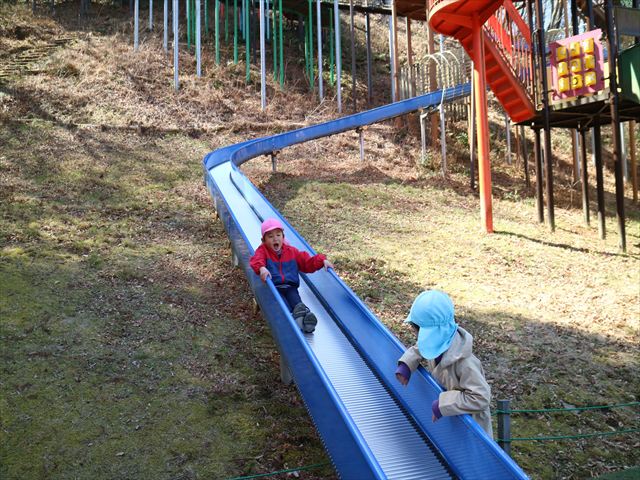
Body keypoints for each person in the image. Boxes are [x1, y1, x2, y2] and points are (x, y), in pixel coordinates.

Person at [395, 290, 493, 438]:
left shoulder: (465, 363)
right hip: (451, 423)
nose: (418, 337)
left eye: (420, 333)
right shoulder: (438, 342)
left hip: (471, 434)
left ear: (433, 334)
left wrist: (442, 404)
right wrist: (407, 364)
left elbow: (481, 397)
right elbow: (422, 347)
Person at [249, 218, 334, 334]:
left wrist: (321, 260)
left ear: (283, 237)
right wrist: (262, 268)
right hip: (274, 288)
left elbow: (307, 263)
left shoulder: (292, 252)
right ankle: (296, 319)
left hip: (290, 287)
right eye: (270, 236)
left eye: (278, 235)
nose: (275, 238)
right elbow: (256, 260)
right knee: (284, 305)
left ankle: (306, 321)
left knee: (297, 303)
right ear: (263, 240)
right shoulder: (263, 251)